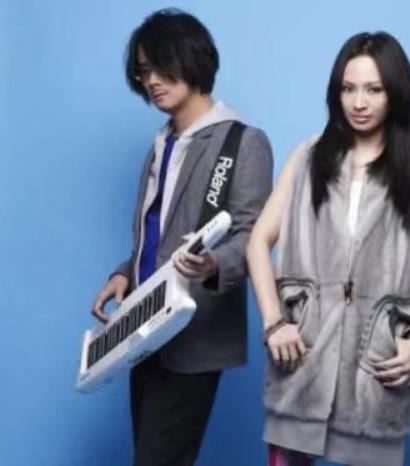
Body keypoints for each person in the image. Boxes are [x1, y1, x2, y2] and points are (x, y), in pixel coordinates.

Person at [246, 31, 410, 466]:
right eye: (348, 88)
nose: (358, 102)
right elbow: (258, 242)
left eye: (374, 89)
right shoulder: (306, 158)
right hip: (303, 364)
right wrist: (274, 322)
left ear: (395, 94)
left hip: (378, 372)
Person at [90, 9, 273, 466]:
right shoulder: (160, 144)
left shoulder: (242, 142)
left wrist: (213, 265)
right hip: (141, 331)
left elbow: (253, 236)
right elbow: (156, 233)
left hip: (195, 334)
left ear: (193, 59)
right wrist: (124, 274)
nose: (151, 81)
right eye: (143, 71)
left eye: (161, 66)